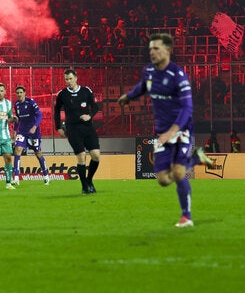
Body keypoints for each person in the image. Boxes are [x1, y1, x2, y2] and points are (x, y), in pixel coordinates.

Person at [118, 33, 213, 228]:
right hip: (161, 131)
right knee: (162, 180)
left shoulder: (178, 76)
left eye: (156, 48)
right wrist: (128, 96)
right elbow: (143, 87)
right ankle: (197, 158)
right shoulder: (148, 71)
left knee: (178, 174)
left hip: (181, 129)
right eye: (150, 49)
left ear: (168, 50)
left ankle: (186, 216)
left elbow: (187, 108)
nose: (152, 52)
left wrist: (173, 131)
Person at [53, 68, 101, 194]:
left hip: (87, 128)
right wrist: (58, 127)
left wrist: (89, 115)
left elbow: (96, 107)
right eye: (66, 79)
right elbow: (56, 111)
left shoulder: (86, 91)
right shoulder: (62, 94)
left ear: (76, 78)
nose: (68, 81)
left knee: (96, 155)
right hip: (73, 129)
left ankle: (89, 180)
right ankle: (85, 187)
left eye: (70, 79)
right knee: (81, 156)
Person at [13, 85, 50, 184]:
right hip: (22, 132)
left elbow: (39, 115)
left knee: (38, 154)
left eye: (21, 92)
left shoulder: (31, 102)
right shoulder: (16, 104)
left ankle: (46, 175)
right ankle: (16, 177)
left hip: (33, 133)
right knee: (17, 150)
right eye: (18, 93)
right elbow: (17, 119)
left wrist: (34, 127)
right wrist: (15, 130)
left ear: (25, 93)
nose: (19, 94)